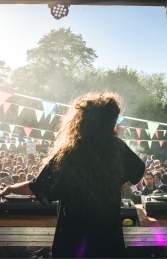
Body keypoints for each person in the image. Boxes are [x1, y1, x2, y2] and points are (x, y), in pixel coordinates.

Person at [0, 92, 145, 258]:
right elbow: (138, 170)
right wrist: (115, 180)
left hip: (74, 240)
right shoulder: (118, 148)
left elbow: (37, 186)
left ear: (82, 121)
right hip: (108, 239)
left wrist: (11, 188)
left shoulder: (69, 152)